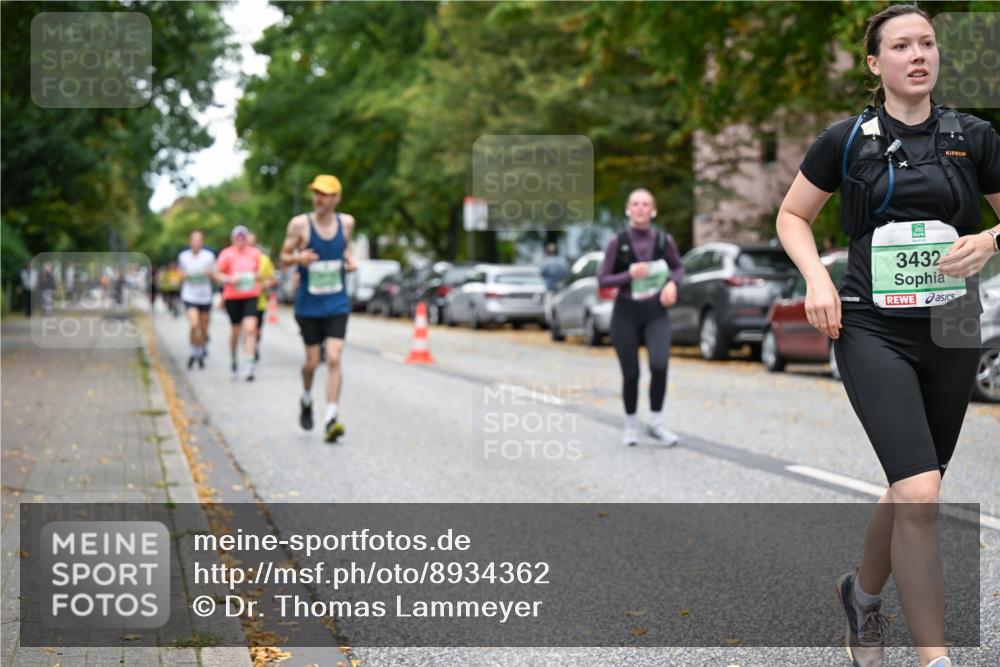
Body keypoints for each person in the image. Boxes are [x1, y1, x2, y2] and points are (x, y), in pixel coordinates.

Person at [775, 6, 1000, 667]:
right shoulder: (845, 139)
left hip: (951, 321)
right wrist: (817, 278)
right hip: (869, 320)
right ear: (876, 64)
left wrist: (988, 239)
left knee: (913, 483)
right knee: (923, 492)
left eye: (927, 42)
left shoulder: (974, 137)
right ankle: (937, 658)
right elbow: (792, 215)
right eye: (901, 45)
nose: (918, 53)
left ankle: (861, 598)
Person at [597, 188, 685, 447]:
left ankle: (656, 423)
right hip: (626, 312)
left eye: (645, 204)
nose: (640, 208)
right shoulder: (618, 241)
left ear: (653, 210)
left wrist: (672, 284)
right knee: (631, 373)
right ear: (628, 210)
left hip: (655, 312)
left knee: (659, 365)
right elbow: (603, 278)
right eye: (635, 203)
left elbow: (678, 267)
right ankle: (631, 424)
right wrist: (629, 274)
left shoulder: (662, 240)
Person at [279, 174, 357, 442]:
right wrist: (297, 258)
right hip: (309, 305)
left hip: (337, 302)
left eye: (325, 194)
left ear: (336, 198)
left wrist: (349, 260)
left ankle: (331, 417)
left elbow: (344, 249)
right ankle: (307, 398)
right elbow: (283, 258)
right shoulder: (300, 225)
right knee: (312, 362)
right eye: (316, 193)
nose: (319, 199)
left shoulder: (346, 223)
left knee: (334, 357)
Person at [214, 225, 262, 381]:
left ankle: (249, 363)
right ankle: (234, 356)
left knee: (250, 329)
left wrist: (256, 275)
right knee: (235, 331)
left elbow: (262, 272)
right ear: (233, 239)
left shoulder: (255, 253)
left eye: (243, 238)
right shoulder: (226, 254)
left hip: (250, 295)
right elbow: (217, 274)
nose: (240, 241)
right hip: (233, 296)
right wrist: (228, 279)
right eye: (237, 238)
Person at [178, 230, 216, 369]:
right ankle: (194, 351)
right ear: (190, 242)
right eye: (194, 240)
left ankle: (200, 350)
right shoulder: (183, 257)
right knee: (194, 324)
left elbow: (215, 275)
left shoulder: (209, 257)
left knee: (203, 328)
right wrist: (183, 275)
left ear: (202, 242)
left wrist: (209, 273)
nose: (196, 243)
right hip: (189, 295)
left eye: (199, 240)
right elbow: (179, 274)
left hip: (205, 296)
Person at [248, 233, 277, 363]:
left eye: (252, 244)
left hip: (259, 301)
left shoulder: (264, 259)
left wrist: (266, 284)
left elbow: (272, 278)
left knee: (257, 329)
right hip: (243, 300)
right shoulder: (238, 259)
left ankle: (255, 345)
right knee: (249, 328)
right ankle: (250, 350)